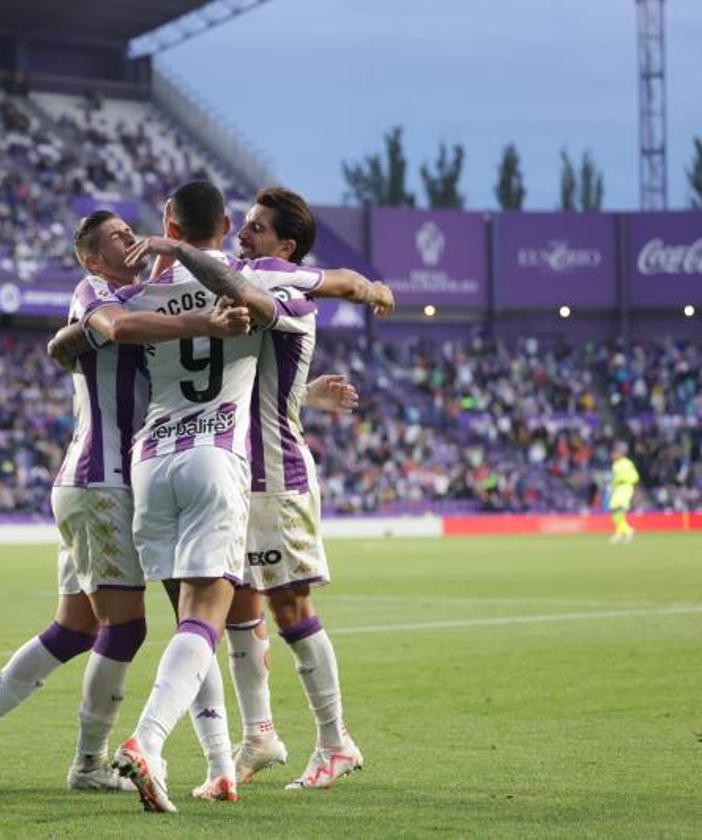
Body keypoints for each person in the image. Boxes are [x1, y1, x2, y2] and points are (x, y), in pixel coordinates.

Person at [0, 210, 250, 794]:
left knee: (75, 628)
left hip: (108, 478)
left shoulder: (145, 290)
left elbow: (93, 333)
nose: (131, 240)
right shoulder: (97, 293)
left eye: (134, 233)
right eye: (117, 238)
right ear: (91, 257)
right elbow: (121, 327)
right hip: (104, 478)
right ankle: (88, 764)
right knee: (124, 629)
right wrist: (207, 319)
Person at [99, 180, 321, 813]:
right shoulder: (248, 282)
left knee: (187, 623)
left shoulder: (144, 293)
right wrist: (364, 287)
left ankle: (221, 767)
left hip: (151, 460)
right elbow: (307, 290)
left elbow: (109, 326)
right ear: (227, 223)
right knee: (205, 621)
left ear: (169, 221)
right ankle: (147, 741)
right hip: (214, 456)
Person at [221, 186, 392, 790]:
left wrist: (370, 287)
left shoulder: (275, 278)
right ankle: (260, 735)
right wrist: (307, 394)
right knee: (238, 608)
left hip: (276, 479)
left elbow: (341, 280)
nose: (244, 234)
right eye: (244, 224)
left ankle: (335, 741)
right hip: (238, 477)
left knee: (290, 609)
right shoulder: (254, 279)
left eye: (257, 228)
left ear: (285, 248)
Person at [608, 442, 640, 544]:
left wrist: (625, 481)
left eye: (615, 453)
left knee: (620, 510)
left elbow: (635, 477)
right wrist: (613, 485)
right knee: (613, 509)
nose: (613, 455)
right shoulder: (615, 464)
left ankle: (623, 532)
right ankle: (623, 530)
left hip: (625, 487)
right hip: (618, 488)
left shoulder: (627, 463)